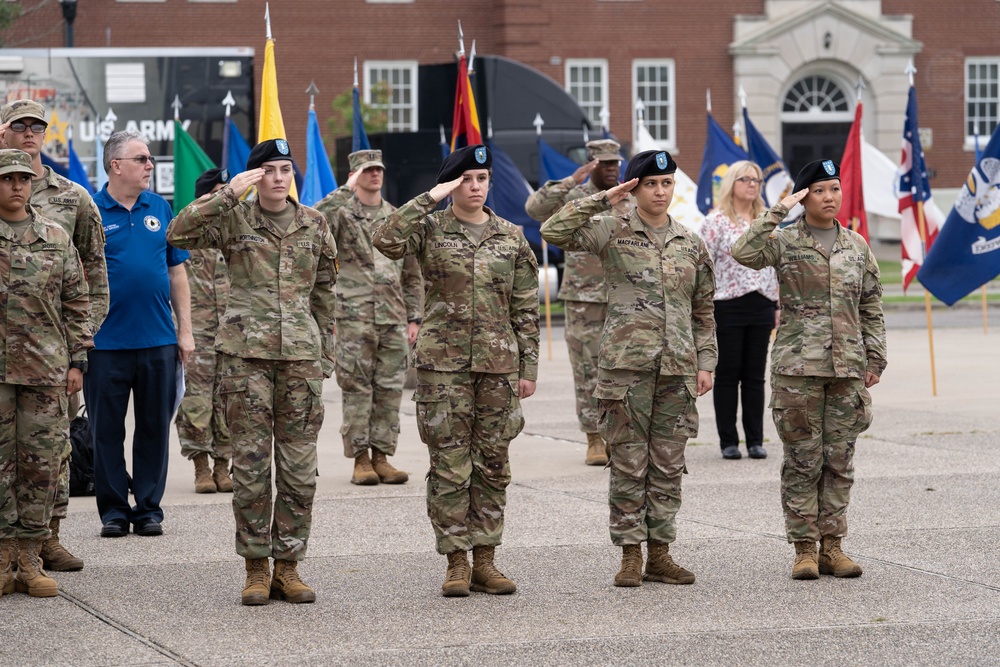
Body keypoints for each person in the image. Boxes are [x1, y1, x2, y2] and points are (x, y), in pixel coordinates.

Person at [167, 138, 337, 606]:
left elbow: (325, 295)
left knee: (301, 470)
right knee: (250, 469)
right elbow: (177, 233)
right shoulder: (232, 218)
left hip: (300, 360)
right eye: (269, 170)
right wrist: (227, 193)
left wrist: (326, 356)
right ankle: (256, 567)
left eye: (285, 169)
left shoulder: (315, 224)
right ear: (254, 176)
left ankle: (290, 567)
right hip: (245, 361)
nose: (279, 178)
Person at [541, 149, 716, 589]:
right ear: (633, 188)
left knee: (668, 463)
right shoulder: (610, 231)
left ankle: (661, 553)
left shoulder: (690, 242)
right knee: (627, 462)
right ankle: (629, 554)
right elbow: (552, 229)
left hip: (677, 368)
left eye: (667, 183)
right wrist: (604, 198)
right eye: (651, 183)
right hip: (625, 369)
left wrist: (706, 361)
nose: (660, 191)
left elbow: (703, 310)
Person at [372, 144, 539, 598]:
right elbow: (384, 239)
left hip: (498, 366)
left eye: (482, 178)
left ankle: (486, 559)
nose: (476, 186)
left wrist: (529, 367)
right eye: (466, 179)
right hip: (442, 368)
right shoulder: (429, 228)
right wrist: (429, 197)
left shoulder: (510, 235)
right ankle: (456, 561)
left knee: (493, 464)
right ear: (451, 184)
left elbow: (525, 307)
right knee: (449, 465)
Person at [731, 159, 886, 581]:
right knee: (802, 460)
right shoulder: (784, 241)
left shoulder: (856, 245)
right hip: (797, 370)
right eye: (819, 190)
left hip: (847, 369)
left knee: (840, 461)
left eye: (834, 189)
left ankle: (833, 546)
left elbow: (871, 305)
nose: (829, 197)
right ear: (804, 196)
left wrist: (875, 358)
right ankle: (803, 549)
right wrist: (779, 209)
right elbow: (743, 251)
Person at [0, 99, 109, 572]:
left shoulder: (72, 197)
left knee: (52, 449)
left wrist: (77, 347)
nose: (28, 132)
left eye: (36, 127)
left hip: (51, 353)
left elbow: (91, 277)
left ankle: (48, 538)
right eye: (18, 125)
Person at [87, 130, 193, 540]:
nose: (150, 165)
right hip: (105, 344)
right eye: (142, 159)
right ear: (116, 165)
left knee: (153, 428)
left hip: (158, 341)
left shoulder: (159, 207)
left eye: (150, 159)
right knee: (106, 431)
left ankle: (148, 508)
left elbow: (176, 271)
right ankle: (114, 510)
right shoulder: (91, 211)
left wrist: (185, 332)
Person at [315, 149, 422, 486]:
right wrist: (344, 191)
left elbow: (412, 272)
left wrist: (415, 316)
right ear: (354, 175)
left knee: (390, 389)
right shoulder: (342, 215)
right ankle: (360, 458)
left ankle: (383, 456)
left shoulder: (395, 216)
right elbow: (314, 220)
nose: (374, 175)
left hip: (392, 316)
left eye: (378, 169)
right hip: (354, 316)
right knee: (357, 388)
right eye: (367, 171)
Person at [525, 139, 633, 466]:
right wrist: (571, 180)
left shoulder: (628, 200)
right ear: (591, 165)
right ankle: (593, 437)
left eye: (615, 162)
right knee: (587, 370)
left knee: (622, 370)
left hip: (623, 297)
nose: (612, 168)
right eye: (605, 164)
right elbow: (534, 208)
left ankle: (619, 434)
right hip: (583, 298)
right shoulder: (574, 198)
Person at [699, 160, 778, 461]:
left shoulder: (768, 220)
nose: (752, 184)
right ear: (732, 183)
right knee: (729, 373)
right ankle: (728, 441)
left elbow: (776, 266)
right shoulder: (716, 222)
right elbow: (703, 267)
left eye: (756, 180)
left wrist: (778, 303)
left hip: (762, 302)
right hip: (728, 304)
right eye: (745, 179)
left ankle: (755, 440)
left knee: (756, 376)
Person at [175, 168, 232, 494]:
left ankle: (224, 466)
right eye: (218, 191)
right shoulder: (188, 233)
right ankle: (201, 467)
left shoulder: (234, 231)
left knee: (228, 401)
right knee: (196, 402)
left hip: (231, 330)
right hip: (195, 331)